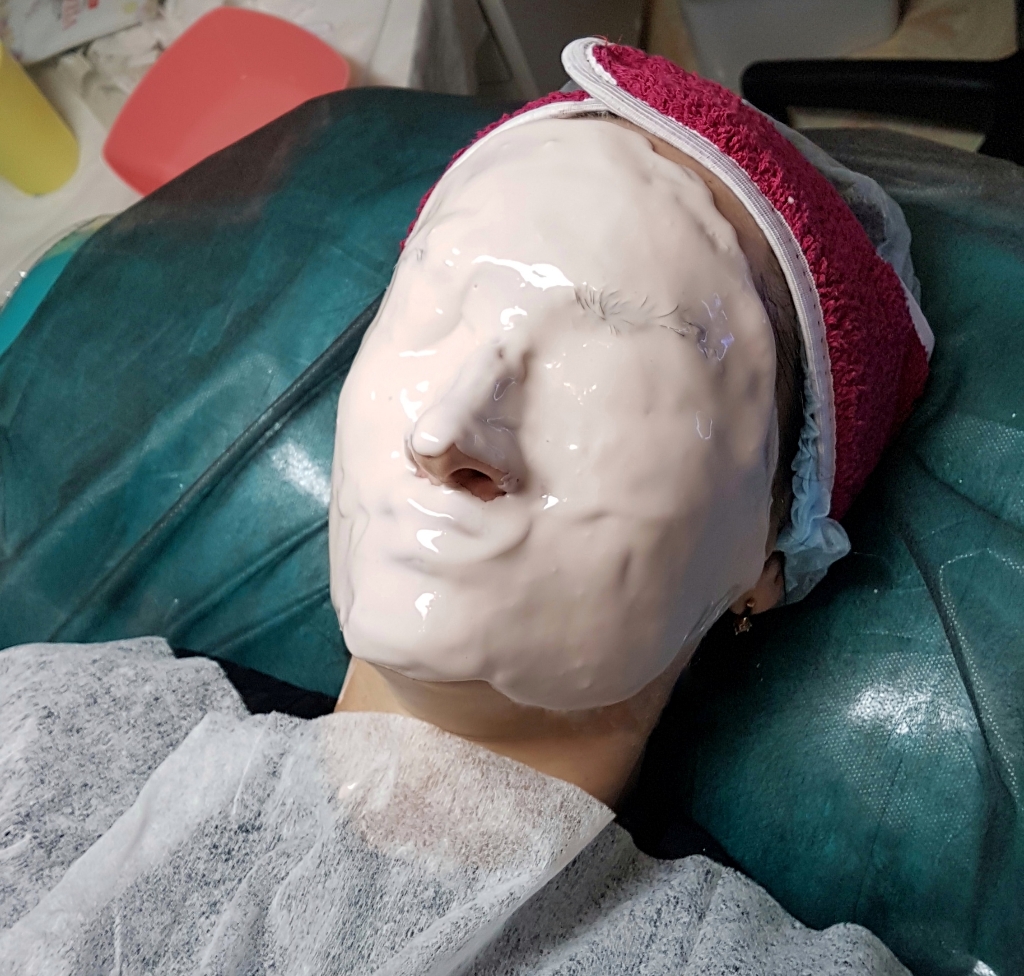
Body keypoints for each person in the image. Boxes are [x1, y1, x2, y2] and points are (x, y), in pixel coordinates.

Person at [0, 39, 930, 975]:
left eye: (610, 371)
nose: (445, 432)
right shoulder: (48, 736)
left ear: (773, 547)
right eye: (435, 308)